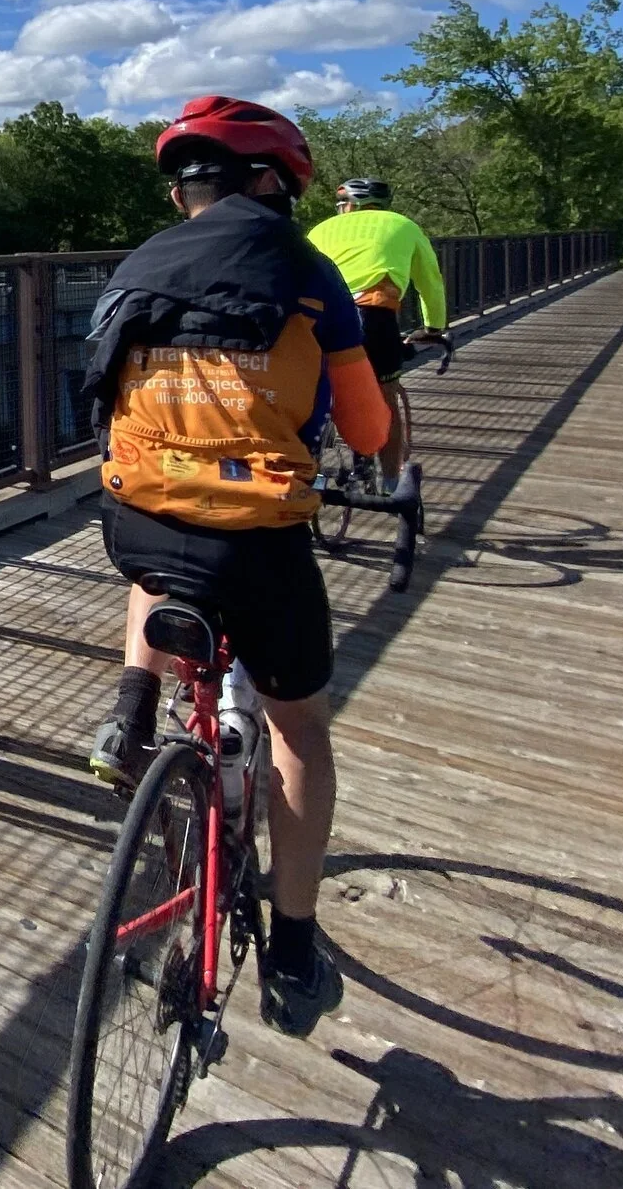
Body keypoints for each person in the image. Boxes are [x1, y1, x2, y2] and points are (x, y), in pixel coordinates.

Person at [80, 96, 392, 1037]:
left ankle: (130, 707)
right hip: (260, 543)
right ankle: (294, 949)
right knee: (298, 730)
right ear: (269, 185)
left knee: (165, 530)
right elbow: (371, 430)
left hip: (131, 518)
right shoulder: (305, 268)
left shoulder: (135, 266)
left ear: (185, 191)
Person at [307, 177, 449, 477]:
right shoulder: (403, 225)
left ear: (349, 205)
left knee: (314, 395)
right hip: (373, 317)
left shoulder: (319, 230)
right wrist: (433, 327)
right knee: (386, 404)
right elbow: (431, 283)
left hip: (316, 319)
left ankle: (308, 471)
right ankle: (391, 485)